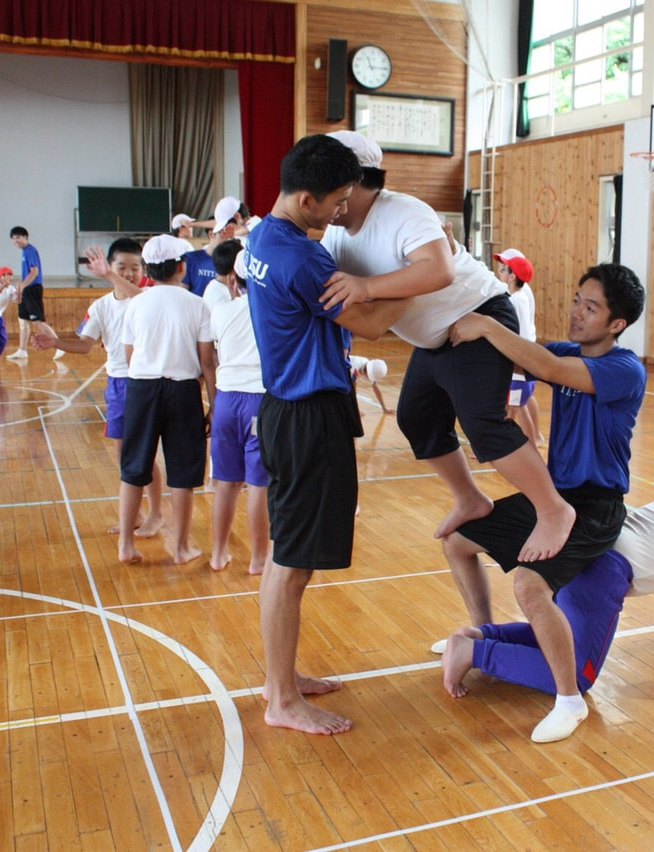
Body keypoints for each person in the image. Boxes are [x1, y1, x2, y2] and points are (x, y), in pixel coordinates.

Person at [320, 130, 576, 564]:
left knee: (483, 422)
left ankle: (554, 508)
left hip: (478, 315)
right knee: (416, 418)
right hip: (435, 336)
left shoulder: (404, 212)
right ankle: (470, 498)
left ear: (354, 181)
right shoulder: (337, 231)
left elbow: (437, 270)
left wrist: (366, 286)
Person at [244, 134, 409, 736]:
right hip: (309, 415)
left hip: (288, 408)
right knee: (290, 565)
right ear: (308, 197)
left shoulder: (263, 236)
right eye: (337, 201)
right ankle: (282, 700)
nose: (343, 211)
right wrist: (425, 283)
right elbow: (366, 324)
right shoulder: (303, 259)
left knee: (291, 560)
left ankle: (278, 680)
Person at [442, 263, 646, 743]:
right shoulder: (568, 351)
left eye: (590, 307)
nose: (576, 312)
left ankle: (569, 701)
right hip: (554, 496)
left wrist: (489, 325)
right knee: (458, 541)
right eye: (577, 300)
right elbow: (525, 360)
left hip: (595, 508)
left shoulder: (624, 369)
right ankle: (483, 635)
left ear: (616, 324)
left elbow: (547, 368)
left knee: (531, 587)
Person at [440, 462, 654, 706]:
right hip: (604, 571)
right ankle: (474, 652)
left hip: (586, 546)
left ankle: (482, 635)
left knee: (562, 640)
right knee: (576, 676)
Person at [31, 238, 165, 538]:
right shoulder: (101, 306)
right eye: (122, 267)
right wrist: (56, 343)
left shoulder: (147, 297)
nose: (129, 273)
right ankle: (136, 512)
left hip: (145, 383)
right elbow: (84, 344)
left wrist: (110, 275)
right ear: (110, 265)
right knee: (123, 455)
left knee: (145, 453)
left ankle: (157, 513)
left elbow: (143, 299)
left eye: (135, 267)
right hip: (117, 384)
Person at [117, 234, 217, 566]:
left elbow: (130, 357)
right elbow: (207, 361)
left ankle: (126, 545)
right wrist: (214, 404)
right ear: (182, 267)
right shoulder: (197, 304)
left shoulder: (136, 304)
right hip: (183, 391)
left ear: (147, 269)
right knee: (184, 472)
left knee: (134, 468)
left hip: (141, 388)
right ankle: (182, 547)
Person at [206, 239, 271, 575]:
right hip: (260, 402)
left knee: (226, 482)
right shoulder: (274, 311)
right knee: (259, 483)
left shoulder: (221, 311)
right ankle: (259, 558)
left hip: (226, 400)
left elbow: (210, 354)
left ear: (234, 281)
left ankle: (218, 553)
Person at [495, 248, 543, 446]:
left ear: (512, 275)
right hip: (522, 361)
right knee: (518, 403)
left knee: (516, 405)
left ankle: (530, 444)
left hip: (519, 363)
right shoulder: (518, 295)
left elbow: (518, 333)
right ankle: (530, 440)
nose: (499, 273)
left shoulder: (516, 300)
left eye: (502, 270)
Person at [5, 226, 44, 361]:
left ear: (25, 238)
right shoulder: (24, 252)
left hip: (33, 289)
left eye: (18, 238)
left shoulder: (29, 251)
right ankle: (22, 350)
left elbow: (34, 272)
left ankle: (59, 345)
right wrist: (21, 289)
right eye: (13, 239)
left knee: (37, 321)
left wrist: (23, 284)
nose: (16, 241)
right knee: (24, 320)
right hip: (27, 289)